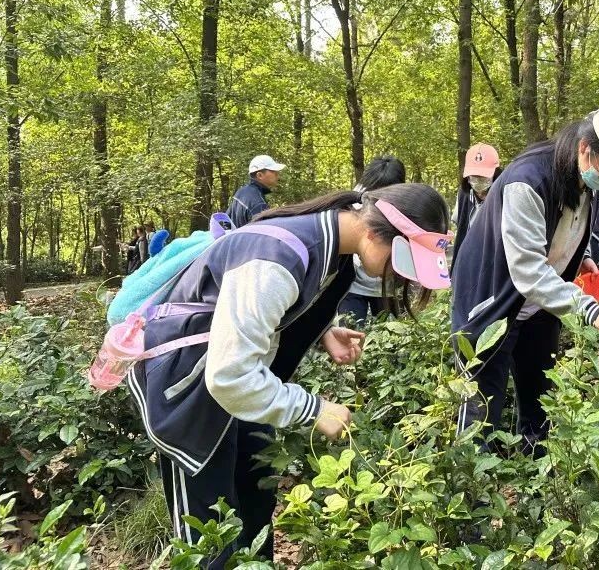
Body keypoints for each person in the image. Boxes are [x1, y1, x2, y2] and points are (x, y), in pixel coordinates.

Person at [127, 183, 451, 567]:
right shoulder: (275, 258)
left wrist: (323, 332)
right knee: (210, 533)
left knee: (255, 498)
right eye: (404, 260)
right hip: (190, 389)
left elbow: (262, 308)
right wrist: (314, 410)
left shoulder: (337, 245)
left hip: (237, 382)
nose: (401, 275)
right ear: (373, 232)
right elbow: (229, 376)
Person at [451, 104, 599, 456]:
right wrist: (589, 310)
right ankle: (475, 495)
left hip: (542, 304)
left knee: (539, 400)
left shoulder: (590, 178)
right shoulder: (527, 182)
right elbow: (528, 267)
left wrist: (583, 256)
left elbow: (569, 228)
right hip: (492, 302)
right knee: (482, 409)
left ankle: (534, 481)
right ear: (584, 150)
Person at [337, 156, 407, 325]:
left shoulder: (405, 203)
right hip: (353, 284)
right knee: (351, 331)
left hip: (387, 287)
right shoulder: (355, 202)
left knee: (389, 336)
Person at [451, 143, 502, 270]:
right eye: (474, 177)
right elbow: (460, 225)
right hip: (468, 263)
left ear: (495, 174)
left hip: (494, 265)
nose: (478, 181)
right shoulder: (463, 196)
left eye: (483, 177)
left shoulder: (504, 196)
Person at [227, 155, 286, 228]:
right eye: (274, 171)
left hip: (235, 238)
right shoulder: (259, 204)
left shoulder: (241, 191)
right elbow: (263, 234)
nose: (277, 175)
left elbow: (226, 222)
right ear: (260, 175)